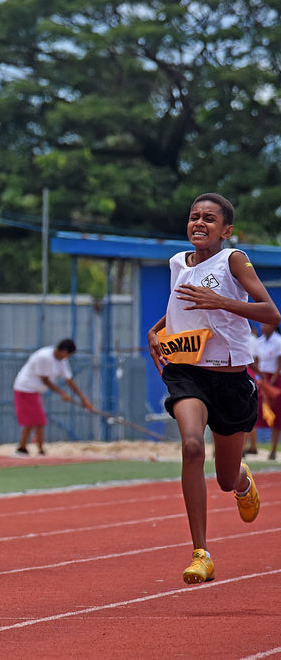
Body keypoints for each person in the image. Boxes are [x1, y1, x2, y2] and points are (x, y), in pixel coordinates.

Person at [147, 192, 275, 584]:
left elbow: (271, 312)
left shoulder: (233, 260)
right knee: (191, 446)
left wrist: (219, 300)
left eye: (209, 218)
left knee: (224, 479)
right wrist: (155, 330)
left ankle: (241, 480)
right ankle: (201, 553)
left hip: (231, 378)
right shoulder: (177, 262)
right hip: (187, 372)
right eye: (194, 216)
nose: (199, 223)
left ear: (226, 230)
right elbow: (180, 306)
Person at [13, 338, 93, 455]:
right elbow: (45, 380)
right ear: (64, 351)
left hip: (35, 391)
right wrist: (62, 393)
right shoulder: (44, 357)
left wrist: (83, 399)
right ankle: (39, 450)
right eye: (68, 355)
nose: (68, 357)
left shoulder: (62, 361)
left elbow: (69, 380)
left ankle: (23, 448)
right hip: (25, 389)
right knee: (39, 420)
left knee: (32, 421)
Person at [249, 322, 281, 459]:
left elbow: (279, 364)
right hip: (262, 379)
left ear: (273, 326)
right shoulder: (259, 342)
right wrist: (260, 376)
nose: (263, 327)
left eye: (266, 325)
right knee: (255, 412)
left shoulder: (278, 341)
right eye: (262, 325)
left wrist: (271, 381)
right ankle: (252, 446)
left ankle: (273, 450)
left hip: (275, 379)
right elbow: (255, 361)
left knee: (276, 415)